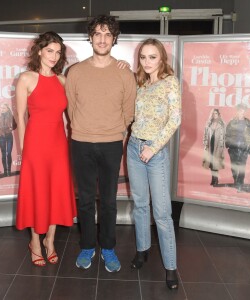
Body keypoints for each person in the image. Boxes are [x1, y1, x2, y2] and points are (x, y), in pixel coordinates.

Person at [66, 15, 136, 273]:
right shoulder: (75, 72)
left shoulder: (124, 73)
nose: (102, 39)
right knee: (84, 200)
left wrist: (112, 130)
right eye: (98, 34)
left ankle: (108, 247)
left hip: (111, 144)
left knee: (108, 201)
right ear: (91, 38)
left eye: (107, 34)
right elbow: (72, 110)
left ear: (114, 38)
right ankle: (87, 246)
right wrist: (86, 128)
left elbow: (129, 111)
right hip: (81, 142)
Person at [15, 31, 77, 267]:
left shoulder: (62, 80)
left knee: (55, 191)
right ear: (39, 51)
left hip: (58, 144)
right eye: (50, 50)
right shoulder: (26, 78)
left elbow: (71, 115)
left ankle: (50, 240)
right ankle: (35, 241)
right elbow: (20, 117)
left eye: (58, 52)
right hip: (35, 145)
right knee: (36, 191)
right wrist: (24, 150)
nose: (54, 55)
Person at [126, 38, 181, 290]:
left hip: (155, 152)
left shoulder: (170, 83)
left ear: (162, 59)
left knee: (162, 213)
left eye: (152, 57)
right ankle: (142, 250)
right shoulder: (140, 84)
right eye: (143, 57)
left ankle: (171, 267)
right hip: (134, 146)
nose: (147, 62)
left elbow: (174, 120)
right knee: (139, 205)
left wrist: (153, 147)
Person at [225, 104, 250, 191]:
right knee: (234, 166)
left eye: (243, 111)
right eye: (240, 110)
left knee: (242, 166)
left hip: (244, 148)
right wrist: (228, 145)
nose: (241, 112)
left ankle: (240, 182)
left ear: (245, 112)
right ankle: (236, 180)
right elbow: (226, 134)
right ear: (237, 111)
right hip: (233, 148)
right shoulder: (232, 123)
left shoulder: (249, 123)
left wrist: (249, 148)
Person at [202, 108, 225, 186]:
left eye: (216, 113)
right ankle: (213, 179)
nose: (214, 115)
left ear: (218, 114)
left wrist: (222, 146)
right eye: (213, 113)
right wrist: (205, 144)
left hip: (218, 146)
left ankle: (215, 180)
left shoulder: (222, 124)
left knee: (216, 163)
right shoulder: (208, 124)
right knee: (211, 163)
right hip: (210, 145)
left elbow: (225, 136)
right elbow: (205, 135)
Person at [0, 103, 17, 176]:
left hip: (9, 137)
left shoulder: (11, 116)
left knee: (8, 153)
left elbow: (15, 125)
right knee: (3, 154)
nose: (2, 109)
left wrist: (11, 128)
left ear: (7, 109)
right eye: (1, 108)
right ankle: (5, 170)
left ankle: (9, 170)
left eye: (4, 108)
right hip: (2, 137)